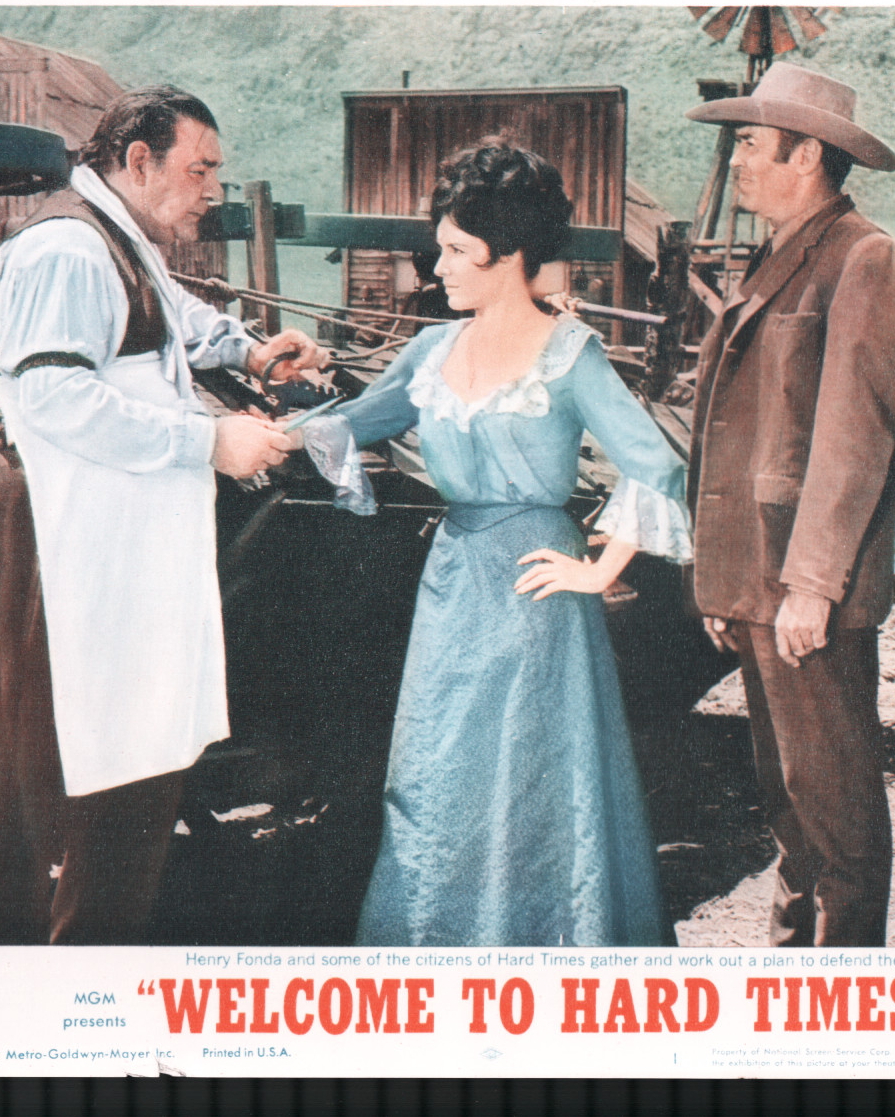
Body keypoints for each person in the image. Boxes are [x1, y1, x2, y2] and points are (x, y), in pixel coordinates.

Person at [292, 139, 693, 946]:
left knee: (529, 780)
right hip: (451, 587)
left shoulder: (570, 353)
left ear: (506, 254)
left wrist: (598, 569)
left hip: (536, 590)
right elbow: (348, 424)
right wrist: (256, 431)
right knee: (437, 776)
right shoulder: (430, 351)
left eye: (453, 250)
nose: (436, 267)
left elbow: (657, 462)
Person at [0, 85, 321, 944]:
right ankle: (9, 974)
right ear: (139, 160)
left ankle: (87, 947)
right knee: (30, 768)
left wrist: (253, 354)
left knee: (128, 752)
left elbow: (170, 317)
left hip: (102, 527)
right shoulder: (65, 249)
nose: (213, 190)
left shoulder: (116, 235)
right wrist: (210, 442)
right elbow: (54, 398)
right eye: (200, 170)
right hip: (42, 525)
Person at [682, 63, 895, 946]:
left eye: (750, 143)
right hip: (757, 583)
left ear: (807, 154)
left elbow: (855, 438)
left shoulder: (862, 257)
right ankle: (793, 980)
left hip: (803, 589)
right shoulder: (779, 254)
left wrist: (812, 585)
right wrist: (723, 583)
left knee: (835, 812)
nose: (736, 161)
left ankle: (841, 984)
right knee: (788, 804)